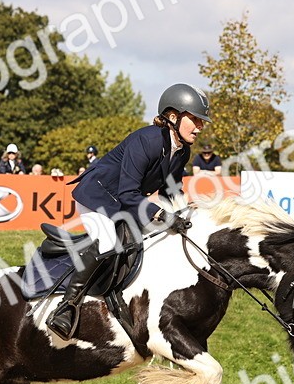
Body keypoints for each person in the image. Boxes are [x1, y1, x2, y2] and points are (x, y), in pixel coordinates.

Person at [46, 83, 207, 340]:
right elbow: (128, 193)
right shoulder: (146, 140)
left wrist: (186, 214)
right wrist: (160, 215)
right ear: (173, 117)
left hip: (124, 203)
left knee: (157, 239)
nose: (200, 127)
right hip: (97, 197)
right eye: (195, 120)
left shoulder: (182, 151)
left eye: (202, 122)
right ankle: (66, 307)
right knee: (108, 242)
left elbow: (171, 191)